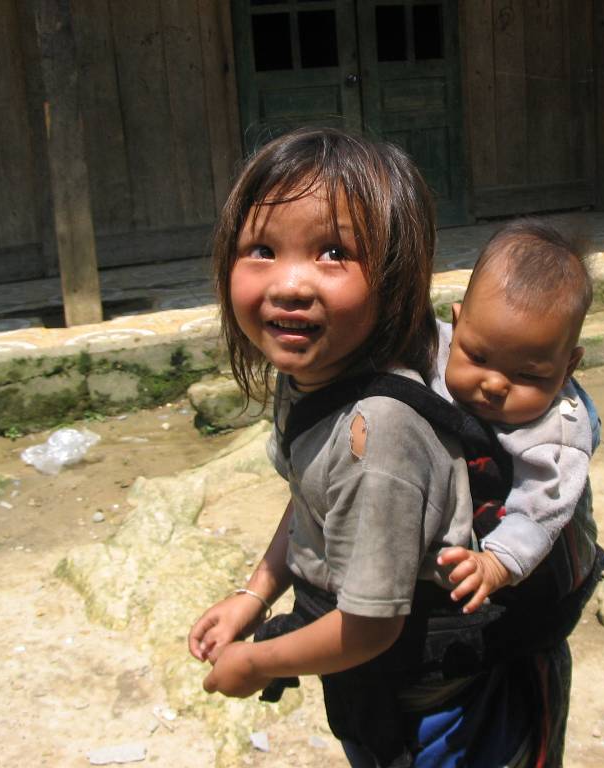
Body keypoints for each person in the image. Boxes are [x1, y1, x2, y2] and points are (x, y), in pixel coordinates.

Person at [187, 127, 560, 767]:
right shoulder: (312, 373)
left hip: (436, 716)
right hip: (382, 690)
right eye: (261, 250)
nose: (289, 284)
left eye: (333, 252)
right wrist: (255, 595)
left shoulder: (381, 436)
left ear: (395, 278)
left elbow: (369, 626)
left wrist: (257, 662)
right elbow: (313, 500)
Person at [431, 220, 601, 616]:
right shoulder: (435, 347)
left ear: (567, 368)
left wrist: (496, 564)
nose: (493, 384)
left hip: (531, 577)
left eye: (527, 375)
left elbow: (544, 509)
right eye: (477, 357)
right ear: (456, 326)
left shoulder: (557, 430)